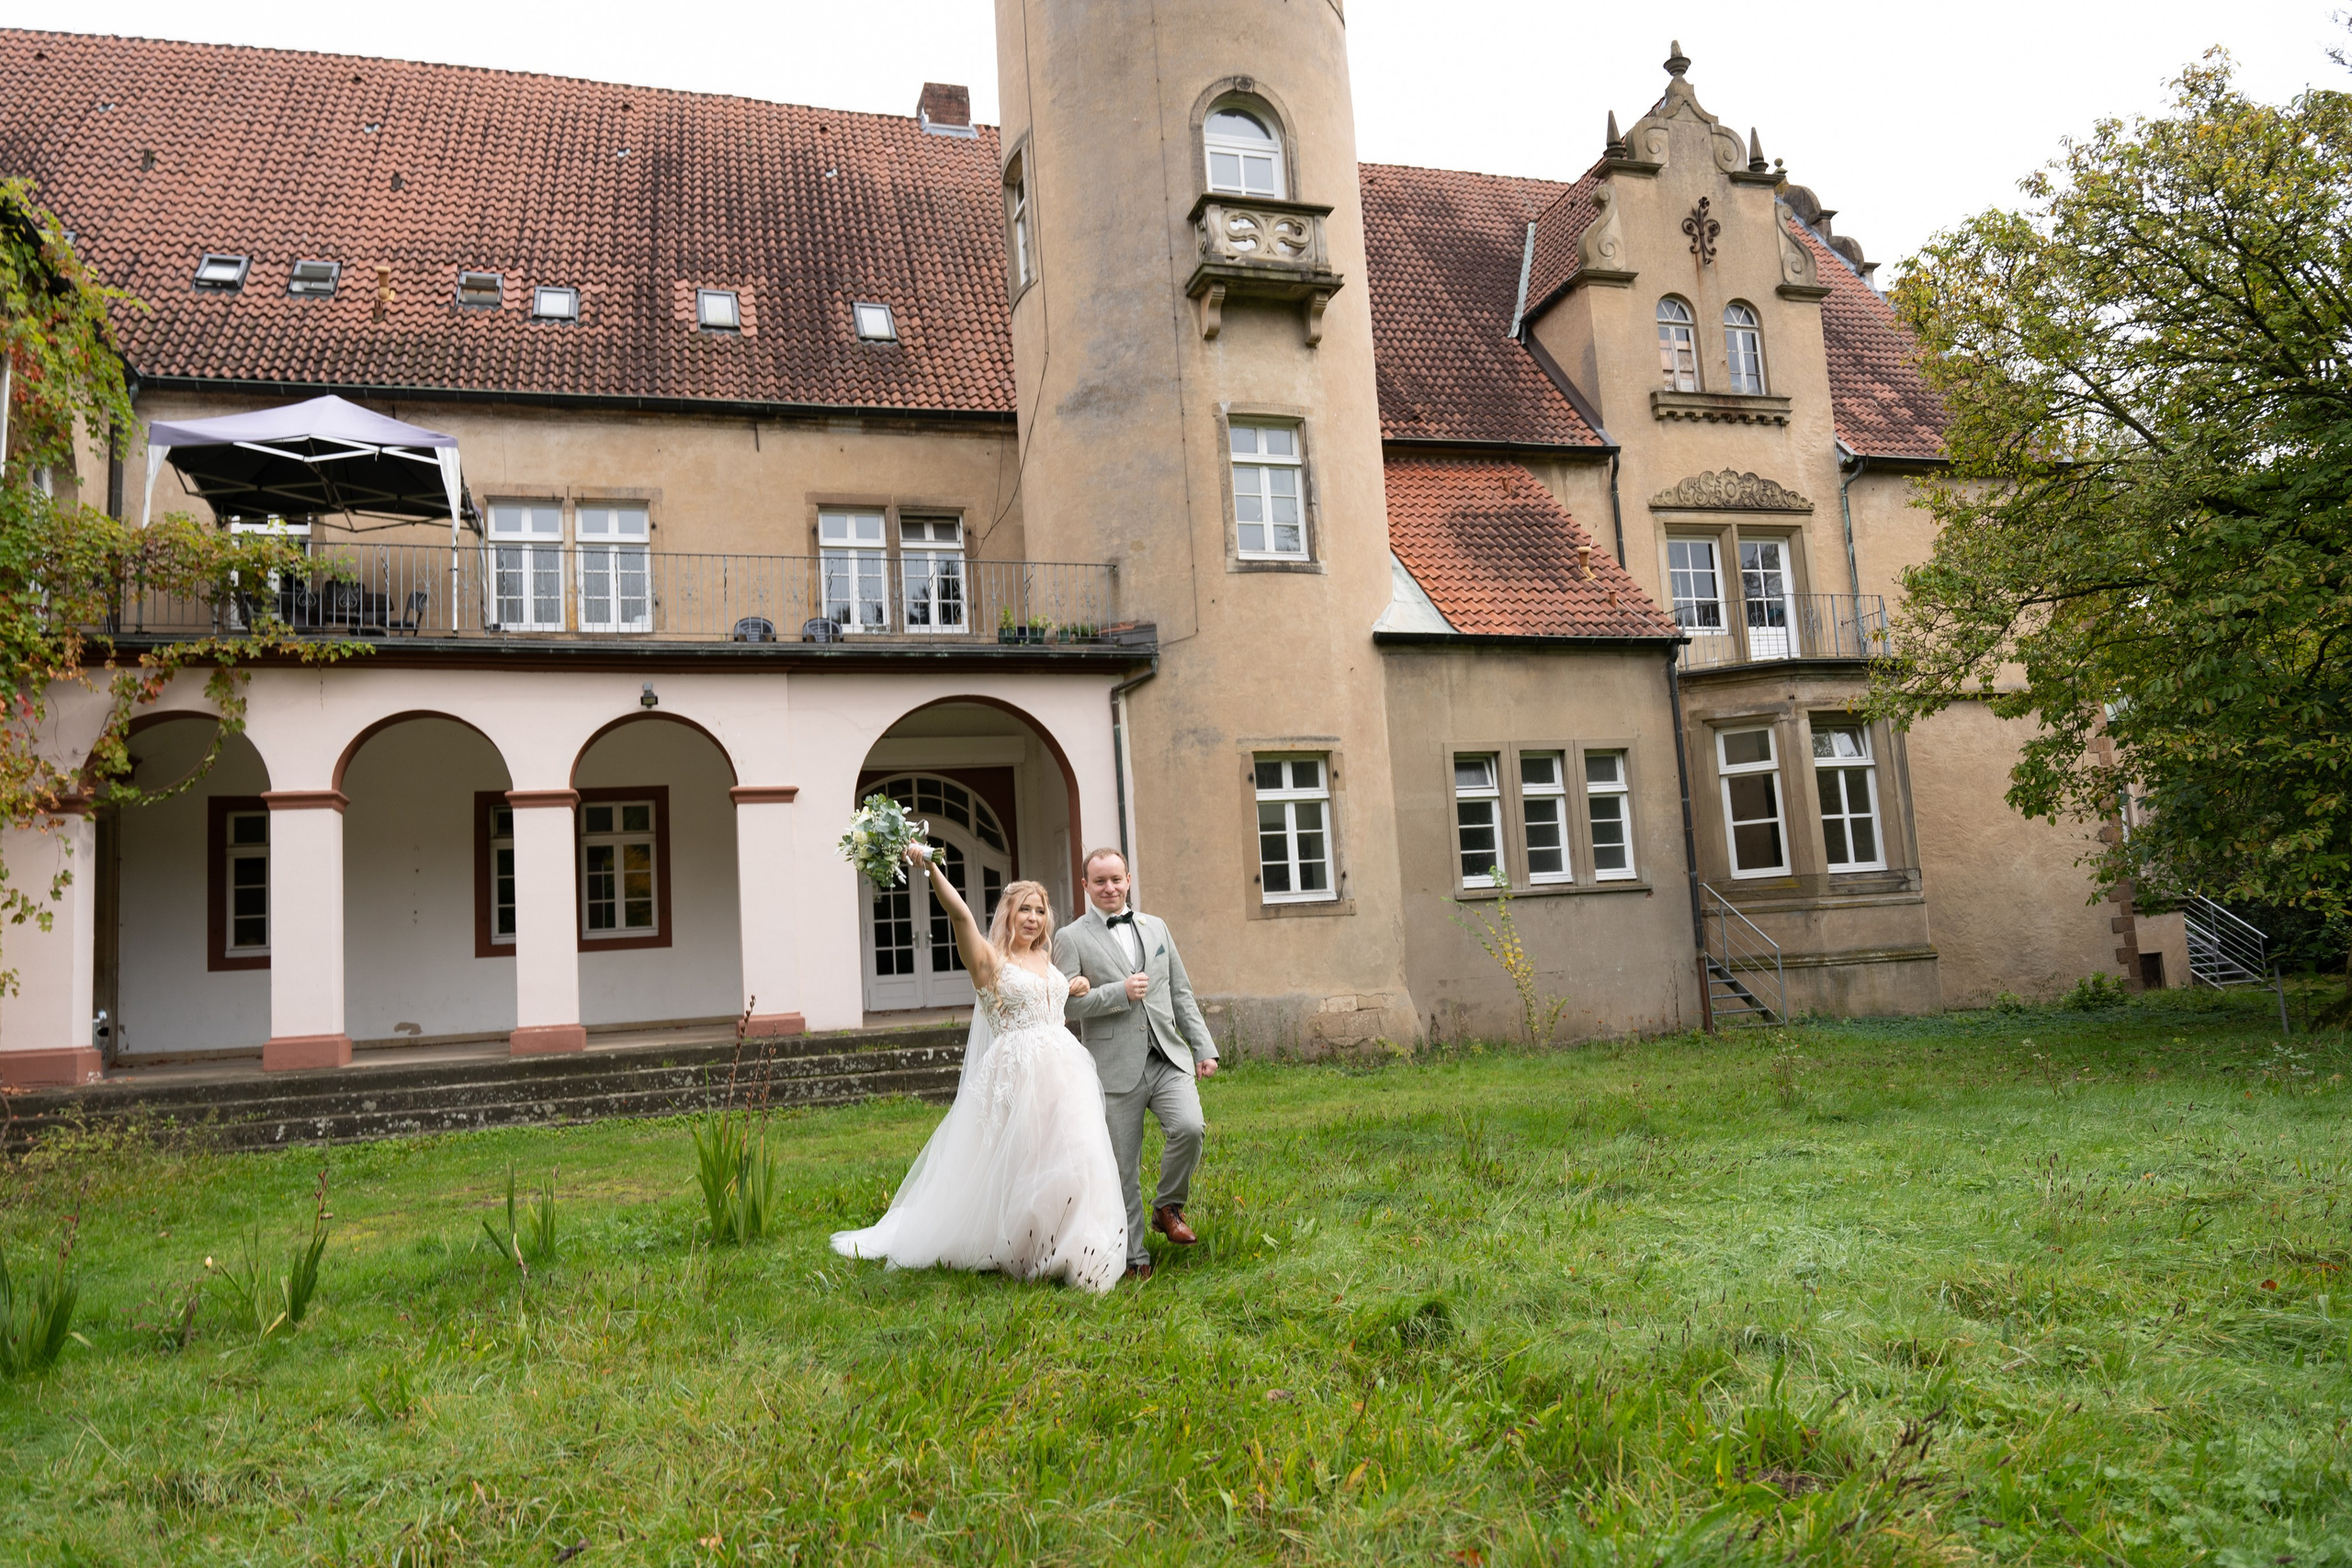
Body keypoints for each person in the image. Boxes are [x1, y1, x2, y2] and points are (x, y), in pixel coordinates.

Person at [830, 845, 1126, 1293]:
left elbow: (1055, 994)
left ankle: (1078, 1247)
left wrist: (1075, 983)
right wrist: (930, 867)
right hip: (1018, 1073)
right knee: (1027, 1160)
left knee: (1078, 1153)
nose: (1033, 917)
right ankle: (1027, 1246)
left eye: (1040, 910)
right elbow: (961, 915)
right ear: (1008, 913)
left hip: (1066, 1071)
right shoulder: (989, 961)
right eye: (1024, 909)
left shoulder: (1046, 959)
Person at [1052, 848, 1218, 1281]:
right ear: (1085, 886)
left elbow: (1179, 992)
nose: (1109, 888)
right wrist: (1118, 992)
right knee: (1122, 1168)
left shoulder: (1156, 927)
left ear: (1128, 879)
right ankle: (1133, 1258)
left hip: (1167, 1055)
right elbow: (1067, 1003)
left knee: (1190, 1127)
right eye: (1099, 882)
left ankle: (1168, 1205)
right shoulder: (1071, 937)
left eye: (1116, 879)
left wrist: (1203, 1047)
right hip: (1113, 1066)